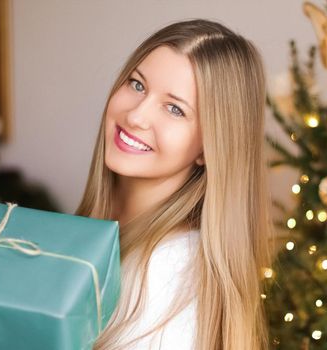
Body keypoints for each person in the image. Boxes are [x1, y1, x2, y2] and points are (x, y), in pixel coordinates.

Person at [76, 18, 272, 350]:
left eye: (174, 109)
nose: (136, 116)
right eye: (137, 85)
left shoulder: (167, 272)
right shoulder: (107, 231)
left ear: (209, 148)